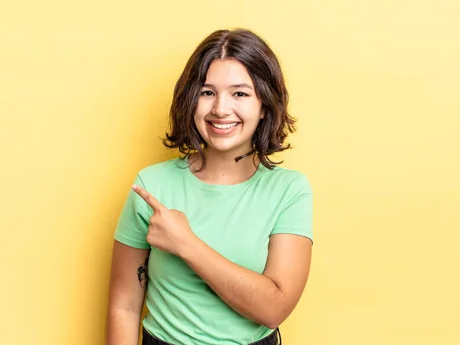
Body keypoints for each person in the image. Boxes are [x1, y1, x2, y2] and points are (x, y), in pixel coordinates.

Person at [107, 28, 313, 345]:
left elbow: (274, 308)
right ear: (191, 99)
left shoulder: (289, 191)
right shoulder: (151, 185)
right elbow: (124, 306)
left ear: (265, 105)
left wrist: (185, 244)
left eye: (240, 93)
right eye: (207, 92)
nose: (220, 109)